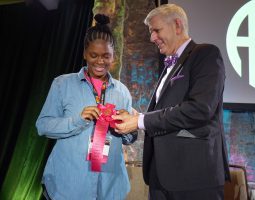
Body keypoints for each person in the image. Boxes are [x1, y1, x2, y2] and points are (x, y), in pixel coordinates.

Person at [113, 3, 230, 200]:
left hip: (193, 178)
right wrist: (137, 116)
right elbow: (167, 111)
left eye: (156, 30)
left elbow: (199, 109)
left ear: (177, 25)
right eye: (151, 32)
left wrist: (141, 121)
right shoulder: (171, 63)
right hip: (160, 176)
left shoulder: (206, 54)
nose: (152, 38)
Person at [36, 14, 137, 200]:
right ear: (84, 53)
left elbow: (130, 137)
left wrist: (125, 128)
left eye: (106, 56)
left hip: (109, 187)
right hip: (68, 186)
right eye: (94, 55)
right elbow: (42, 126)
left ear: (113, 56)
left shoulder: (122, 91)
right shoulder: (61, 84)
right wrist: (78, 120)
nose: (100, 61)